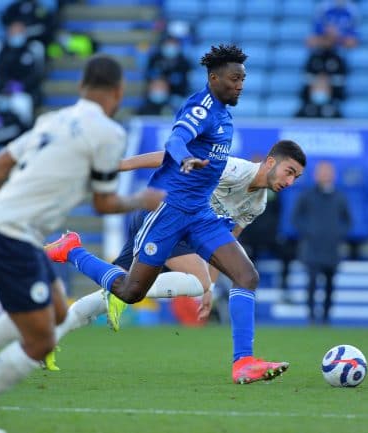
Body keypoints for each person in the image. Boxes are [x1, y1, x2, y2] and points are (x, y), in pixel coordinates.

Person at [0, 54, 165, 433]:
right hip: (11, 233)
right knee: (41, 341)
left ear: (82, 86)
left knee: (56, 311)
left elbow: (1, 161)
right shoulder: (108, 133)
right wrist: (141, 200)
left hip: (3, 224)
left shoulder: (52, 119)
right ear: (117, 93)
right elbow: (104, 203)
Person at [41, 44, 292, 385]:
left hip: (200, 214)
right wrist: (183, 156)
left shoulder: (224, 116)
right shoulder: (202, 108)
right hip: (168, 210)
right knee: (130, 291)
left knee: (246, 275)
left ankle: (243, 362)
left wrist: (210, 285)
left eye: (243, 79)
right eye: (234, 78)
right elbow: (177, 138)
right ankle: (71, 250)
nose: (240, 85)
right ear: (214, 77)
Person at [43, 140, 306, 370]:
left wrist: (210, 287)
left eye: (296, 177)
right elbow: (171, 157)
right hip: (163, 215)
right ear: (270, 162)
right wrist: (122, 165)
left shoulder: (257, 204)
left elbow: (227, 244)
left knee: (118, 290)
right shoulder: (233, 169)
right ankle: (72, 252)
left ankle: (49, 338)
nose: (290, 182)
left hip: (180, 234)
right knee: (184, 282)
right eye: (289, 172)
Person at [291, 161, 350, 324]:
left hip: (331, 248)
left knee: (330, 284)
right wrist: (309, 231)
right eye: (321, 172)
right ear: (316, 174)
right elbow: (296, 218)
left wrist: (338, 233)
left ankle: (326, 317)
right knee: (311, 283)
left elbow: (348, 220)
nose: (324, 175)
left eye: (327, 172)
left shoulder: (340, 196)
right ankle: (311, 316)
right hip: (312, 248)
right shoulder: (307, 195)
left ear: (333, 174)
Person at [0, 20, 45, 106]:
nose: (17, 35)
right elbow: (1, 72)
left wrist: (23, 85)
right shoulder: (4, 51)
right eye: (14, 32)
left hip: (28, 89)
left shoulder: (31, 49)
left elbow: (35, 73)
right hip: (7, 89)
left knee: (24, 102)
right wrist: (8, 84)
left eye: (19, 32)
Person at [145, 35, 191, 101]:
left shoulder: (184, 62)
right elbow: (149, 75)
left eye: (173, 44)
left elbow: (185, 82)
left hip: (178, 95)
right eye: (168, 44)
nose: (171, 46)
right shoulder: (155, 59)